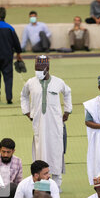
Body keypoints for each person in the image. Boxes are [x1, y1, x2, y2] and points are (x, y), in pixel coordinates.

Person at [21, 55, 72, 189]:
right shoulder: (31, 82)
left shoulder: (58, 82)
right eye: (36, 68)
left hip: (55, 124)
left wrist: (67, 111)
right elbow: (24, 95)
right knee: (40, 151)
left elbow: (68, 93)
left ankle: (56, 184)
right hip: (38, 124)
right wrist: (27, 112)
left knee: (56, 151)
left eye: (40, 68)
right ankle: (41, 182)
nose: (37, 71)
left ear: (47, 68)